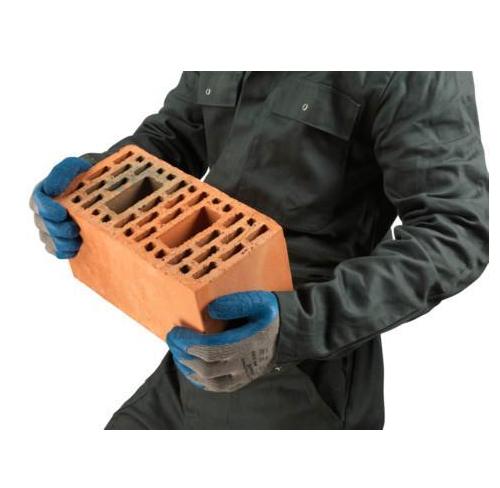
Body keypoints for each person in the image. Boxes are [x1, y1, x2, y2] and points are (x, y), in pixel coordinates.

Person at [30, 72, 489, 429]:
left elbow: (453, 232)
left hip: (299, 369)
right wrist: (93, 185)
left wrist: (292, 326)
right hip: (198, 340)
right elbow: (176, 134)